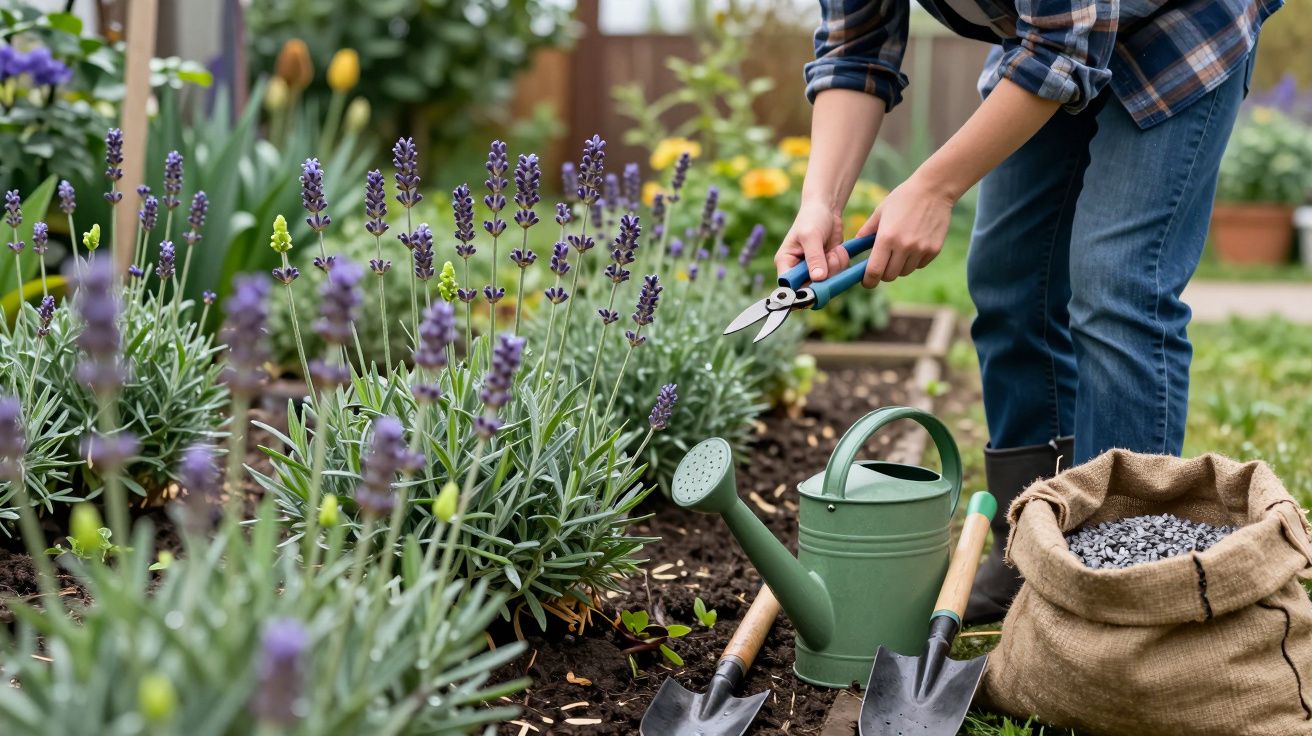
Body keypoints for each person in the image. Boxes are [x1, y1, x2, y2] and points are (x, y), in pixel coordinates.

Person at [776, 0, 1279, 624]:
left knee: (1117, 285)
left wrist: (934, 188)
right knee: (1011, 277)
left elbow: (1060, 48)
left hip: (1177, 25)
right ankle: (1033, 548)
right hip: (1049, 37)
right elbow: (856, 48)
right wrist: (820, 201)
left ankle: (1119, 576)